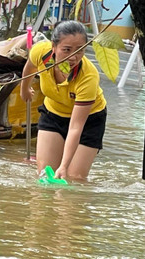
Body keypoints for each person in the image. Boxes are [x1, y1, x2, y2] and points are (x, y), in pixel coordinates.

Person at [20, 20, 107, 180]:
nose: (73, 57)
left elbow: (76, 127)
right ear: (54, 47)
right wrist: (24, 89)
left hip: (88, 121)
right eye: (66, 50)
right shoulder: (41, 52)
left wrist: (64, 166)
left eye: (80, 50)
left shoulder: (88, 76)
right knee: (46, 174)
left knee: (74, 178)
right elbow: (29, 67)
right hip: (53, 113)